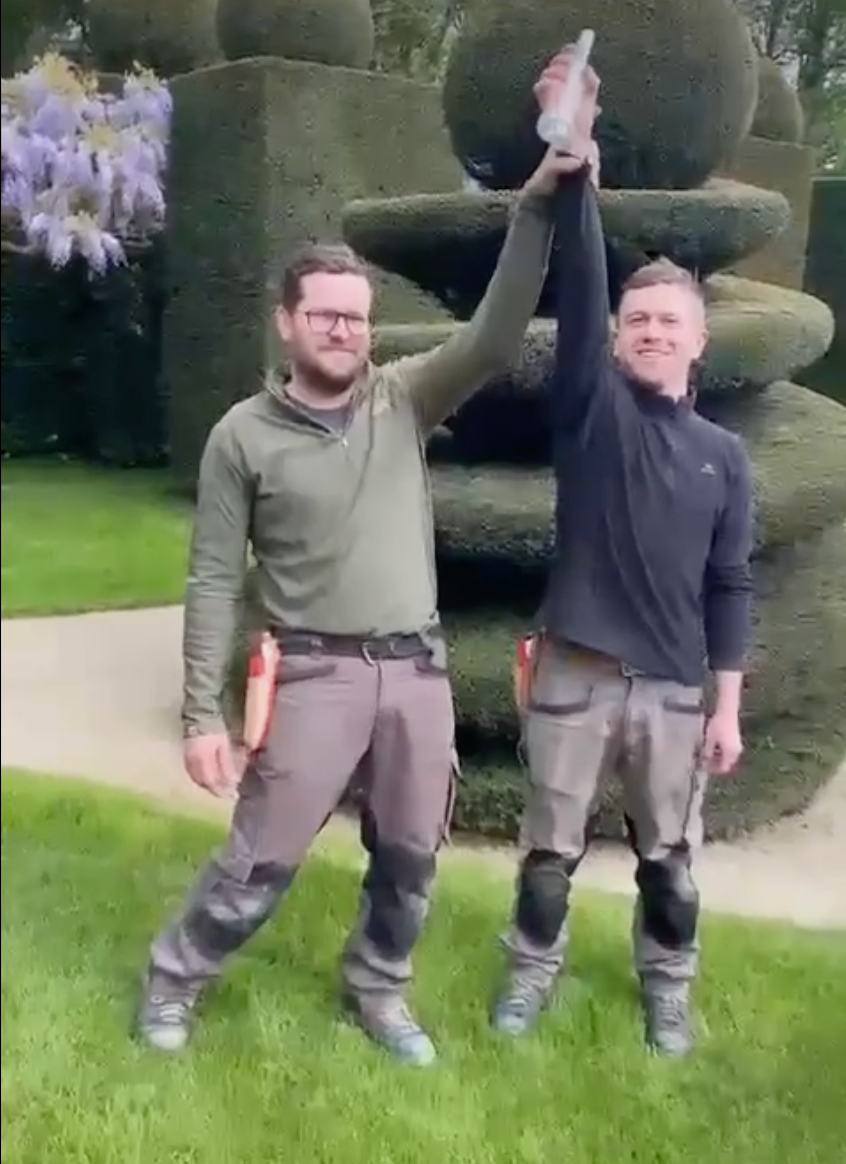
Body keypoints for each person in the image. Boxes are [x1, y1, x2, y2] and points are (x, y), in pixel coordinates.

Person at [135, 118, 575, 1067]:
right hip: (313, 676)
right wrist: (200, 715)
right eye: (326, 313)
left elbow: (497, 336)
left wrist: (535, 204)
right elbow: (214, 576)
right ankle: (175, 978)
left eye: (358, 315)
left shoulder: (404, 397)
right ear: (286, 321)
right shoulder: (241, 437)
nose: (345, 328)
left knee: (411, 860)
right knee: (261, 858)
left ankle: (378, 988)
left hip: (416, 674)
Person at [491, 52, 755, 1057]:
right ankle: (529, 977)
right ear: (618, 341)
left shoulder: (725, 459)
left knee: (670, 865)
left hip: (677, 693)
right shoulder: (590, 413)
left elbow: (731, 585)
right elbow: (583, 281)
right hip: (577, 673)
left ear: (699, 343)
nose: (648, 331)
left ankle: (667, 991)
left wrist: (727, 706)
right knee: (549, 855)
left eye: (668, 322)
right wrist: (579, 167)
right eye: (636, 321)